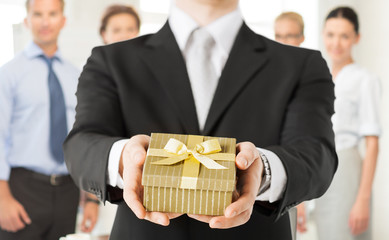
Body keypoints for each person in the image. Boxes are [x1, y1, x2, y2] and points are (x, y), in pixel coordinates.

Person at [63, 0, 338, 239]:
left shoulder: (301, 65)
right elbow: (81, 145)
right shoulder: (110, 61)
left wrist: (263, 170)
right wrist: (124, 158)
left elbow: (316, 156)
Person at [0, 0, 97, 238]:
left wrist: (91, 197)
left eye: (52, 14)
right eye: (38, 14)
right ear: (27, 20)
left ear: (63, 21)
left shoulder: (76, 76)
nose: (45, 21)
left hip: (68, 190)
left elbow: (82, 138)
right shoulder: (9, 74)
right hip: (22, 190)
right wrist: (2, 198)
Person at [312, 6, 381, 240]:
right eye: (331, 34)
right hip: (322, 168)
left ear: (356, 38)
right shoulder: (320, 77)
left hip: (347, 171)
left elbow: (372, 144)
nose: (336, 43)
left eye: (344, 36)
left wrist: (362, 199)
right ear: (323, 34)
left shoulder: (364, 79)